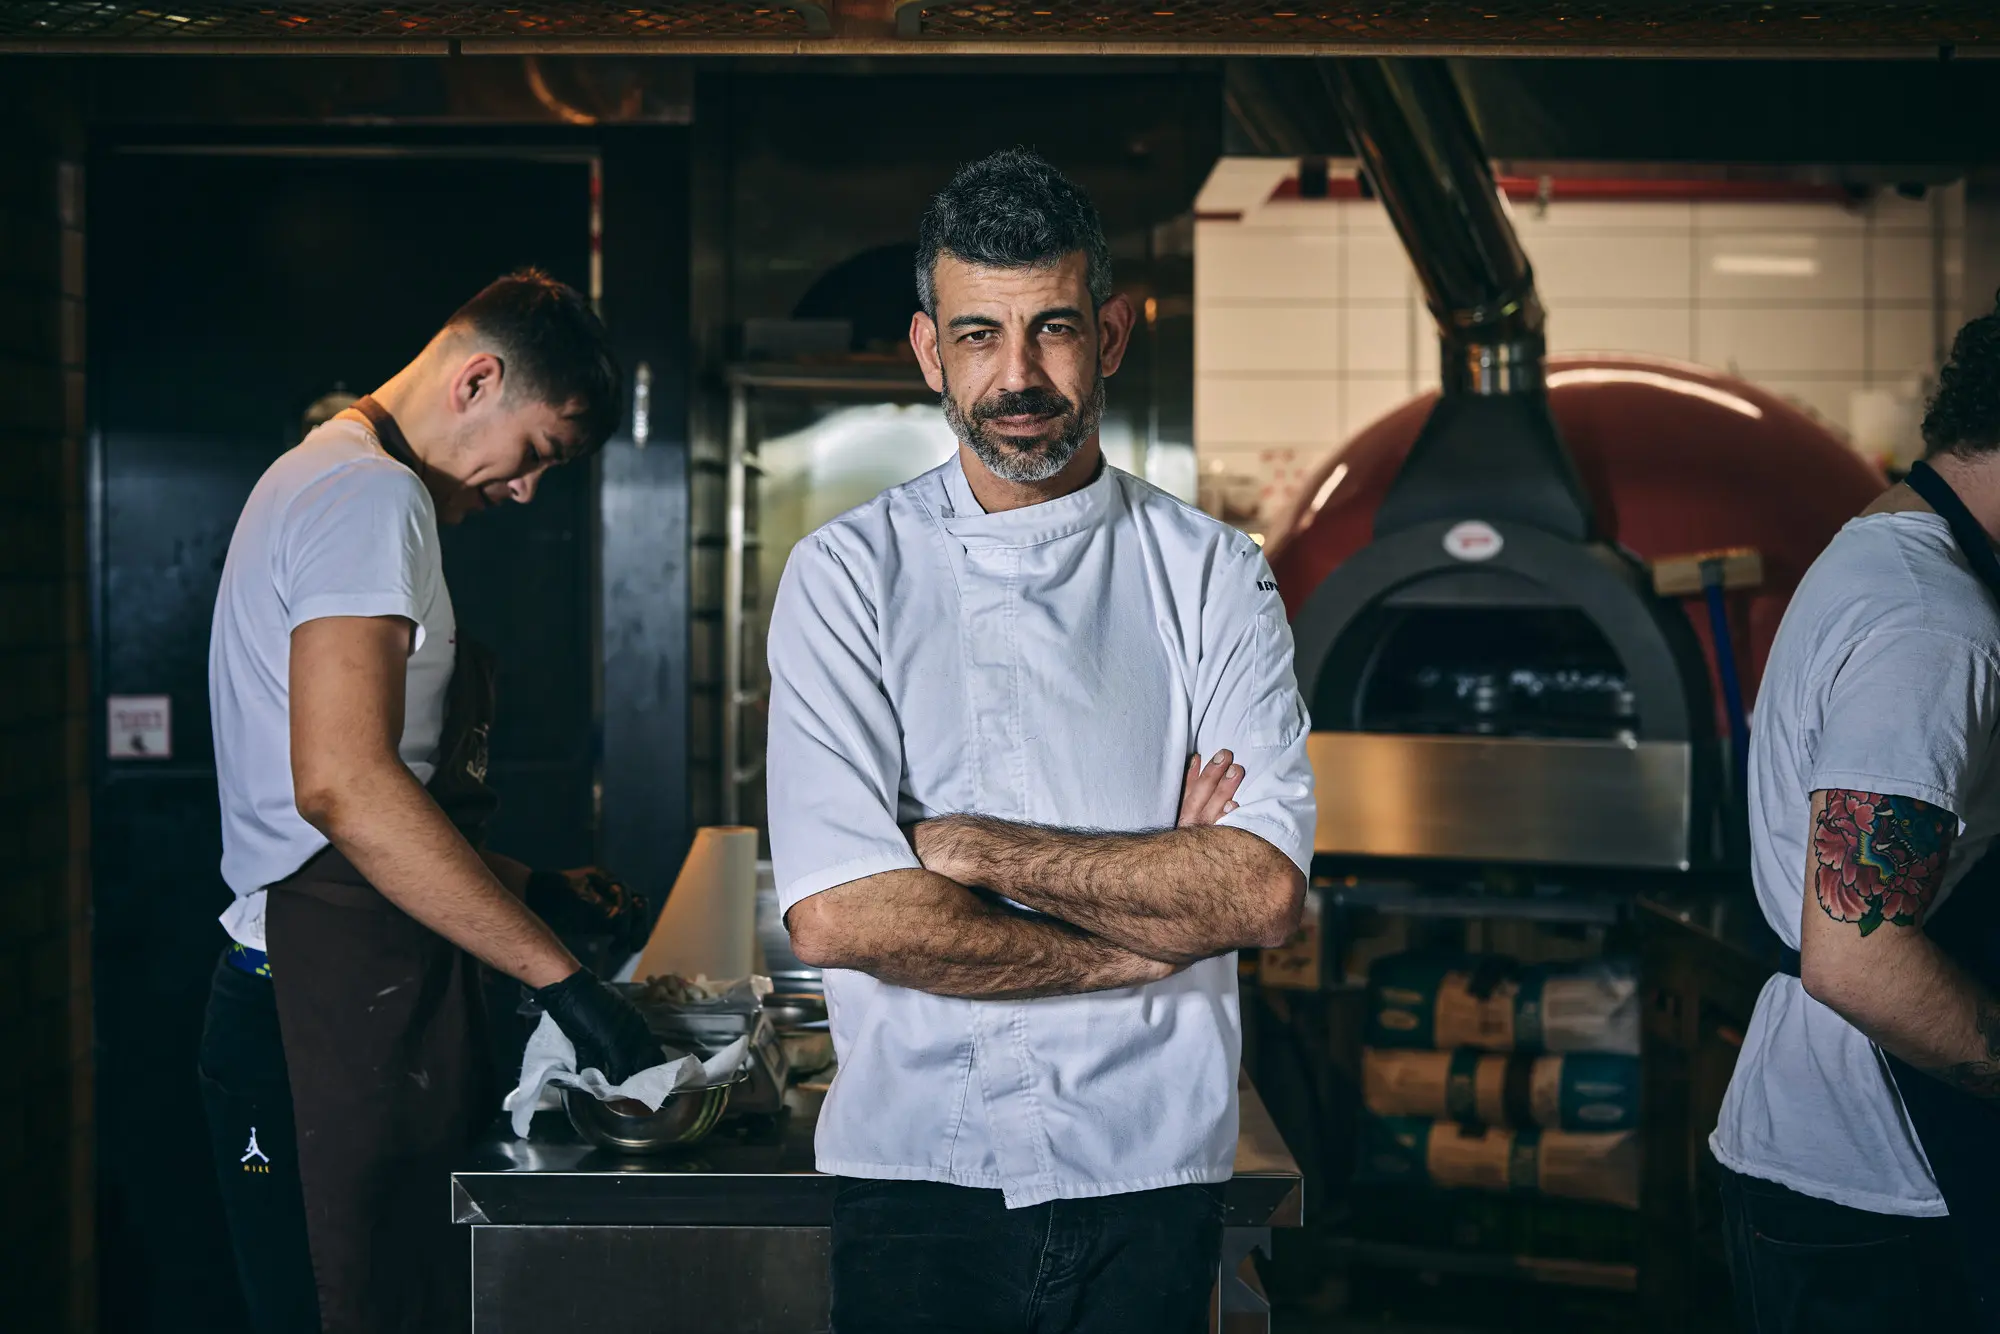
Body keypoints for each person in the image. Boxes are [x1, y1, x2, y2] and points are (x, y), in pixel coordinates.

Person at [767, 148, 1316, 1333]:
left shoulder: (1212, 575)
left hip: (1150, 1169)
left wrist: (967, 845)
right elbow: (842, 915)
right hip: (915, 1167)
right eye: (977, 336)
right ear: (927, 350)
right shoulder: (845, 576)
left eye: (1052, 329)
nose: (1017, 377)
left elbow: (1259, 890)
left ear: (1110, 335)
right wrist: (1134, 938)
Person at [200, 270, 663, 1334]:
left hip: (327, 991)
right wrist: (563, 982)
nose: (525, 491)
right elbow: (344, 787)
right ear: (478, 378)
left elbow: (367, 806)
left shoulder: (325, 477)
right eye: (538, 452)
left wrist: (533, 886)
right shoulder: (370, 495)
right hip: (311, 1010)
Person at [1710, 300, 2000, 1331]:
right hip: (1876, 1186)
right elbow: (1858, 955)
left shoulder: (1891, 547)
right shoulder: (1932, 624)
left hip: (1840, 1167)